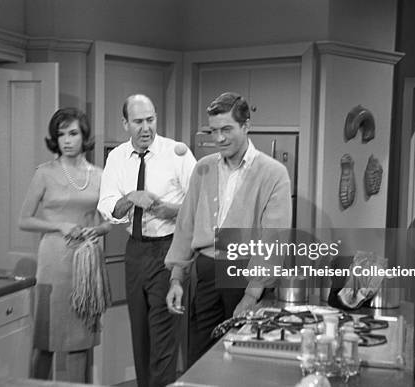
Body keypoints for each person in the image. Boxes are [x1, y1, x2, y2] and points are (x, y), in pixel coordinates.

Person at [164, 92, 292, 367]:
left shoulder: (273, 173)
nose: (219, 138)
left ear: (246, 125)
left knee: (242, 361)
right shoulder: (203, 169)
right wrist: (177, 277)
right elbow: (186, 225)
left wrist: (252, 294)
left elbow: (273, 240)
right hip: (206, 271)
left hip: (245, 273)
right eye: (214, 131)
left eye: (226, 130)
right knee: (200, 358)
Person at [98, 94, 196, 387]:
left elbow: (201, 204)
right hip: (135, 252)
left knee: (163, 340)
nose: (146, 128)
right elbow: (108, 206)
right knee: (140, 337)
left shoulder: (177, 153)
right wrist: (132, 198)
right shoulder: (116, 157)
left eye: (150, 120)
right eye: (138, 121)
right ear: (125, 123)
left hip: (169, 250)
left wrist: (170, 211)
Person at [19, 107, 111, 382]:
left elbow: (109, 222)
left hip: (86, 264)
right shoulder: (44, 174)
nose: (67, 140)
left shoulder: (99, 174)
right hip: (53, 262)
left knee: (79, 342)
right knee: (45, 341)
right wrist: (59, 225)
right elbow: (24, 220)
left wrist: (97, 230)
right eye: (61, 135)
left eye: (73, 133)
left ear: (84, 136)